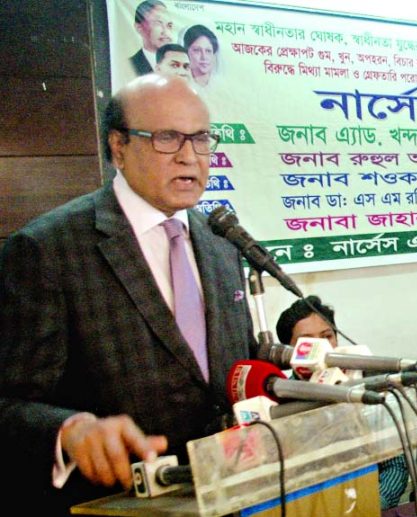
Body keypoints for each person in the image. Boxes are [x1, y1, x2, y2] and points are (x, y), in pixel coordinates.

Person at [0, 74, 256, 515]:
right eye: (167, 138)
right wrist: (71, 431)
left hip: (233, 494)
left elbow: (227, 371)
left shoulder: (220, 240)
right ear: (118, 147)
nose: (189, 157)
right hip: (117, 504)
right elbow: (8, 403)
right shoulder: (47, 250)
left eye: (200, 138)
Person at [275, 296, 409, 509]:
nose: (322, 348)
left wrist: (372, 505)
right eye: (307, 342)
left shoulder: (365, 386)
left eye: (327, 337)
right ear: (286, 353)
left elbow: (396, 466)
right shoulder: (277, 405)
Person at [129, 1, 174, 76]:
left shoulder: (182, 66)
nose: (166, 32)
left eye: (169, 25)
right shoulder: (128, 65)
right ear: (139, 27)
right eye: (158, 23)